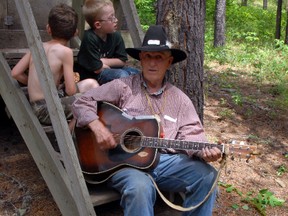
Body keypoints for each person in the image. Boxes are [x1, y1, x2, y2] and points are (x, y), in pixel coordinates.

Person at [72, 25, 222, 215]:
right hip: (124, 162)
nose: (152, 63)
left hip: (165, 162)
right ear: (141, 60)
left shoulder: (180, 99)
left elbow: (193, 134)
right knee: (140, 187)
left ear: (169, 62)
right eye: (148, 57)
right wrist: (97, 127)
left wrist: (204, 151)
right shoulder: (123, 87)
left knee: (208, 176)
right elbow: (82, 101)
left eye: (158, 57)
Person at [11, 3, 99, 127]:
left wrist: (33, 83)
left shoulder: (37, 46)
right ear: (75, 32)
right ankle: (73, 133)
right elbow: (71, 90)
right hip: (47, 110)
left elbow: (15, 73)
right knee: (91, 99)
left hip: (40, 104)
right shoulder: (66, 52)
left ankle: (73, 127)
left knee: (91, 84)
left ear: (48, 28)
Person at [75, 0, 139, 85]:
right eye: (111, 18)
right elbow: (97, 69)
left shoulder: (116, 35)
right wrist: (105, 65)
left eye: (114, 16)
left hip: (110, 70)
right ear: (98, 25)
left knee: (136, 73)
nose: (116, 20)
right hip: (94, 76)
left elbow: (122, 61)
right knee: (122, 75)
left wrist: (102, 61)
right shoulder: (89, 38)